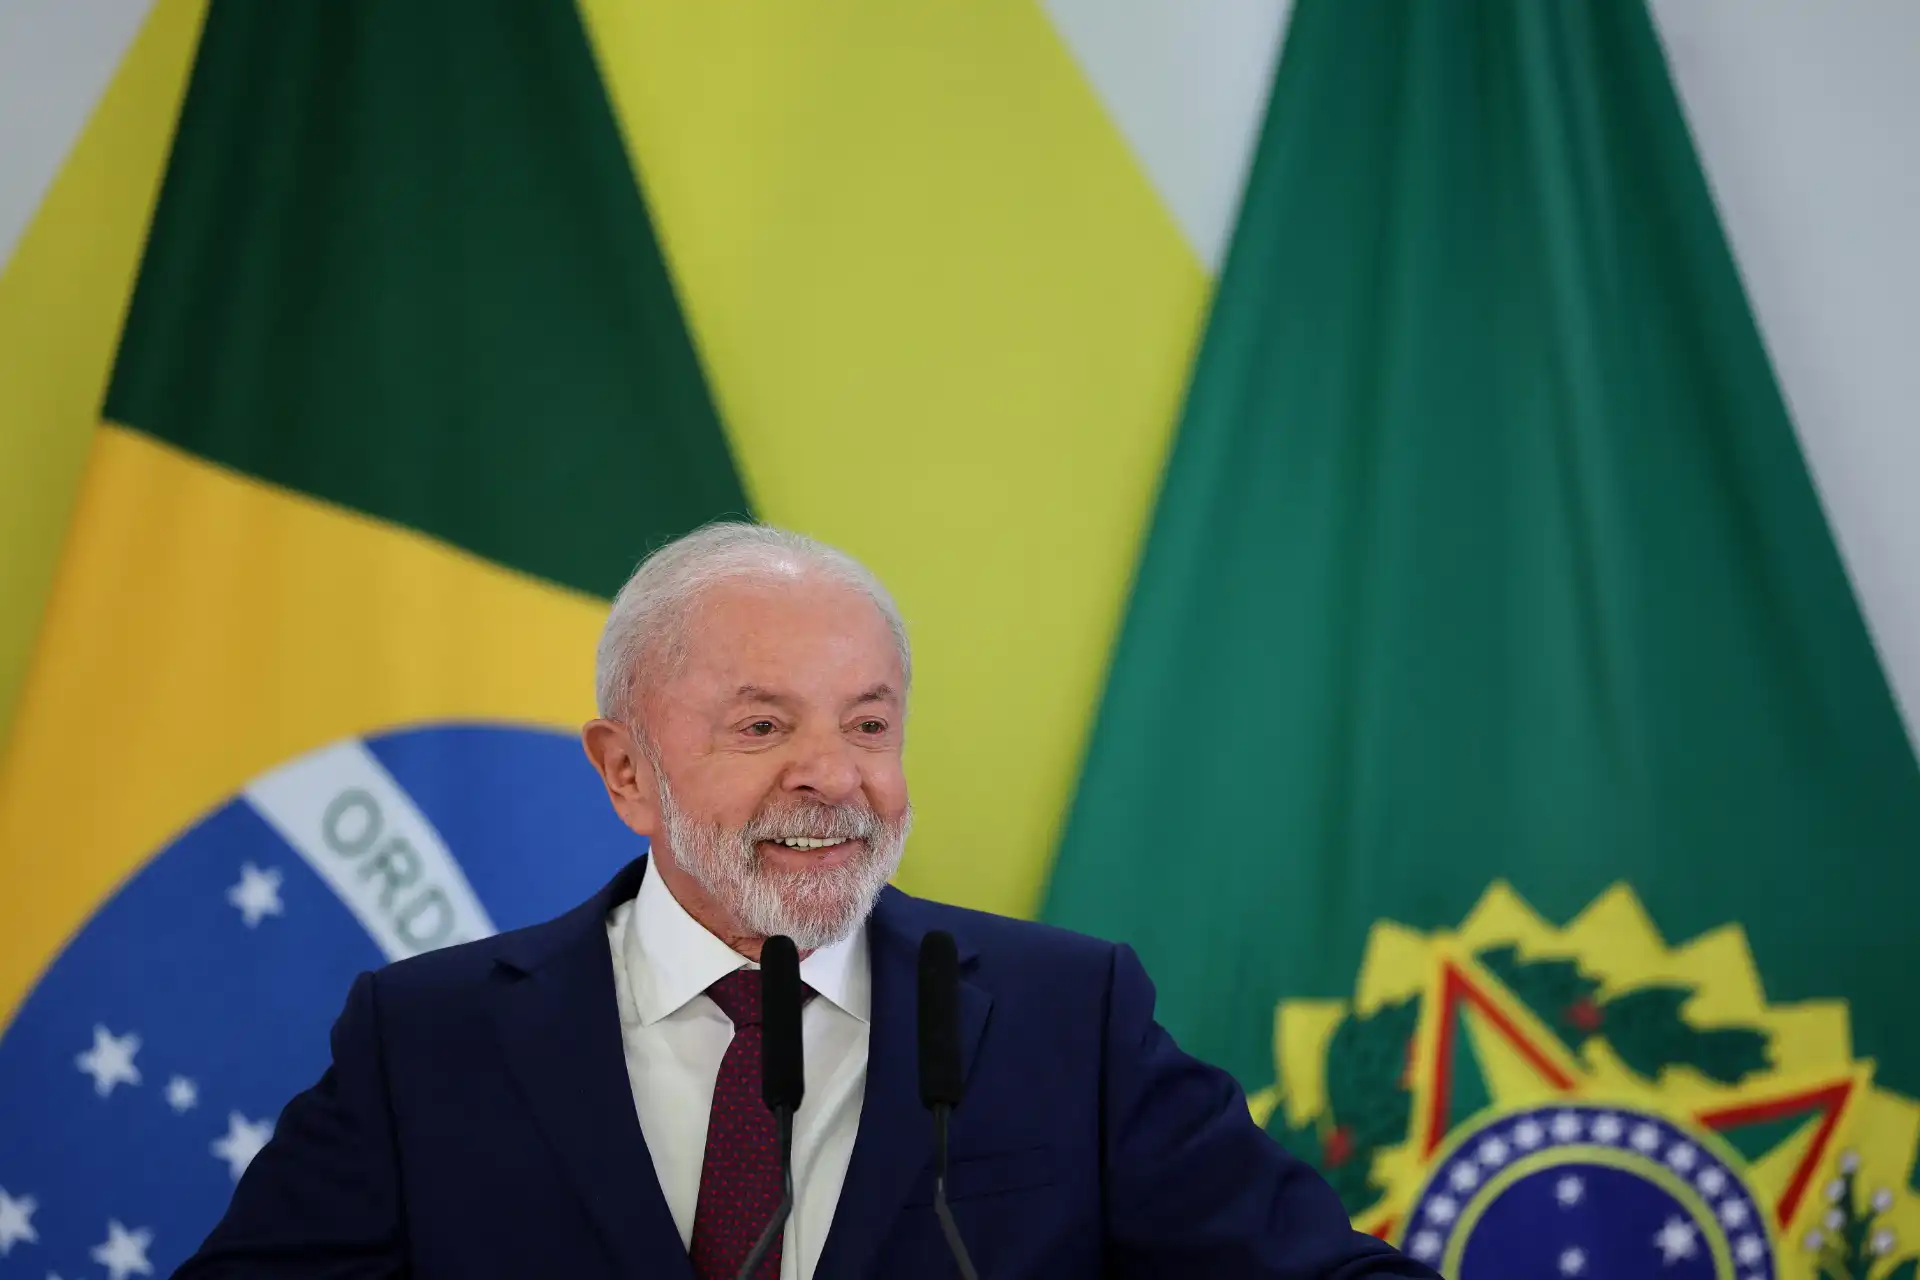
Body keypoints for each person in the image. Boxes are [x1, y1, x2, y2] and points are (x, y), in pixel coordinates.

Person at [175, 522, 1438, 1279]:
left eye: (869, 723)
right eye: (763, 722)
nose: (833, 775)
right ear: (627, 770)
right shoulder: (427, 1041)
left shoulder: (1068, 1017)